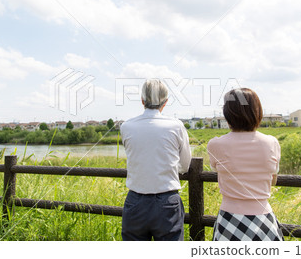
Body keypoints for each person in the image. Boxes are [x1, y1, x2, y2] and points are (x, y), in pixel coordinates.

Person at [207, 88, 283, 241]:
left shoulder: (216, 144)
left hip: (229, 218)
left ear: (227, 113)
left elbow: (219, 171)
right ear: (257, 112)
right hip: (264, 219)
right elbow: (273, 180)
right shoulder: (271, 143)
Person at [120, 79, 192, 241]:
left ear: (142, 100)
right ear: (165, 102)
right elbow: (185, 165)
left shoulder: (126, 126)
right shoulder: (176, 126)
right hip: (167, 201)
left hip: (135, 201)